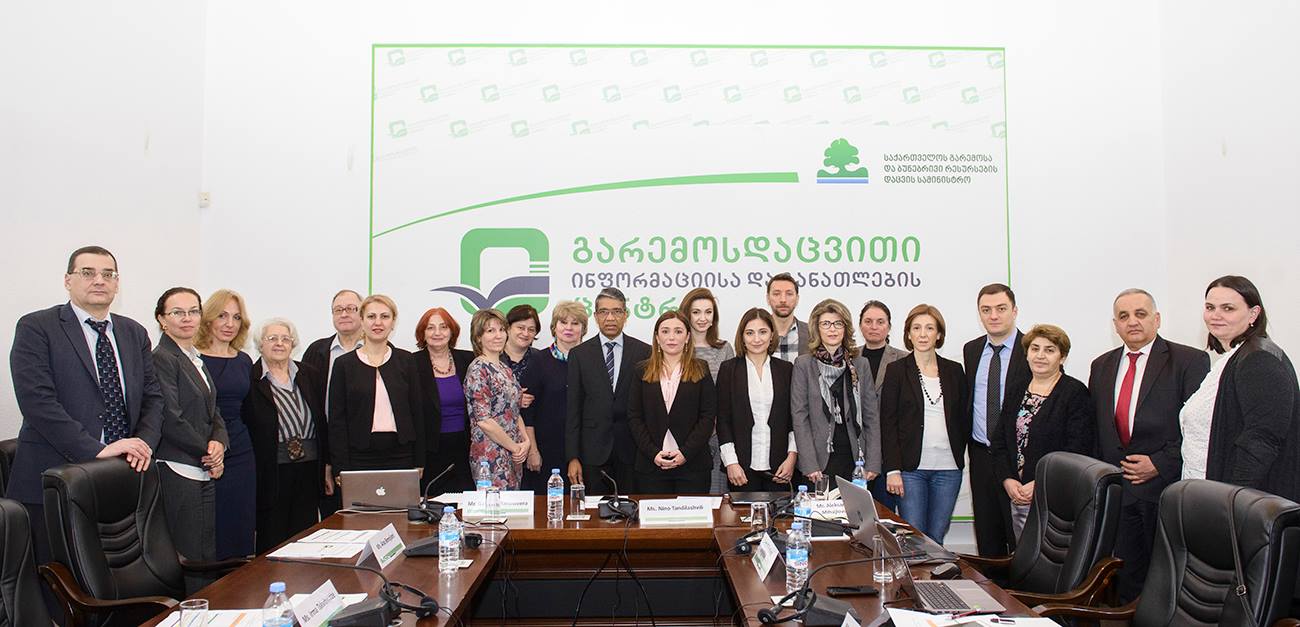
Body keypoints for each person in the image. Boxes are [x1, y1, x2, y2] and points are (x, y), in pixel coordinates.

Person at [9, 246, 162, 571]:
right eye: (88, 273)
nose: (99, 281)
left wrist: (142, 444)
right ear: (68, 280)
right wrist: (96, 449)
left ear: (117, 283)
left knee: (114, 577)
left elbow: (152, 398)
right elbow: (37, 401)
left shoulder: (133, 332)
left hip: (120, 476)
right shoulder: (38, 327)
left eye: (108, 274)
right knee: (55, 582)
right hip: (53, 478)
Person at [1088, 288, 1208, 602]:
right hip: (1117, 490)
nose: (1132, 322)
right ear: (1115, 325)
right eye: (1124, 316)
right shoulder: (1101, 366)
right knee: (1126, 577)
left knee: (1164, 581)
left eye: (1140, 314)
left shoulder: (1189, 361)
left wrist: (1160, 463)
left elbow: (1198, 427)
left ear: (1157, 319)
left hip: (1163, 489)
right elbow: (1098, 429)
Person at [1182, 276, 1298, 502]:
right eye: (1210, 307)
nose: (1216, 315)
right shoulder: (1234, 356)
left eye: (1228, 308)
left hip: (1241, 503)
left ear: (1253, 314)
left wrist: (1230, 499)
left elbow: (1262, 440)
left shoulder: (1259, 359)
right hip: (1211, 492)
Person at [152, 287, 228, 594]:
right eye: (177, 313)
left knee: (205, 552)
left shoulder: (194, 357)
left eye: (193, 311)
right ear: (162, 320)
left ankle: (207, 609)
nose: (187, 318)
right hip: (179, 467)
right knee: (189, 555)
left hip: (201, 466)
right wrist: (208, 452)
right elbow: (170, 417)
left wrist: (219, 443)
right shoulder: (162, 358)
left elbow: (214, 411)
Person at [989, 324, 1095, 539]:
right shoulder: (1017, 389)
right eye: (1035, 348)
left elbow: (1077, 449)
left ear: (1062, 357)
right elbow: (999, 441)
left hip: (1056, 497)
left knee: (1051, 554)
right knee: (1022, 553)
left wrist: (1040, 483)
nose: (1040, 356)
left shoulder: (1074, 392)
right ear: (1027, 354)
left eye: (1049, 350)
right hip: (1017, 493)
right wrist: (1007, 479)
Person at [880, 304, 969, 543]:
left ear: (938, 334)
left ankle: (935, 571)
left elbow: (963, 418)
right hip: (910, 471)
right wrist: (893, 470)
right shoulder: (896, 370)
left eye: (929, 328)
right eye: (916, 328)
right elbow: (887, 423)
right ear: (908, 334)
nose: (922, 334)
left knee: (936, 536)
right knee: (915, 537)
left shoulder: (954, 371)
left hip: (949, 469)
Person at [243, 318, 327, 553]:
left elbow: (322, 420)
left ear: (293, 344)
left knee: (305, 535)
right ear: (260, 344)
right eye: (272, 338)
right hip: (271, 469)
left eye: (285, 339)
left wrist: (327, 465)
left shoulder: (309, 374)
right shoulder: (250, 378)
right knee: (273, 535)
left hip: (309, 468)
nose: (279, 344)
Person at [962, 283, 1030, 557]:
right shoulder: (971, 350)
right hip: (981, 455)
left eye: (1001, 308)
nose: (993, 316)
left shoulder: (1031, 350)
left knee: (1021, 539)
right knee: (987, 537)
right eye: (986, 310)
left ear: (1014, 311)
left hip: (1017, 459)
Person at [328, 295, 425, 480]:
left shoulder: (406, 361)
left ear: (393, 322)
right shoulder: (344, 364)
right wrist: (339, 466)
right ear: (361, 321)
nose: (378, 322)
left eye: (385, 316)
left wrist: (419, 460)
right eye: (371, 316)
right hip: (358, 456)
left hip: (402, 454)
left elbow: (417, 412)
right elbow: (337, 421)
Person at [565, 287, 652, 495]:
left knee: (632, 509)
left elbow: (648, 407)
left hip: (632, 451)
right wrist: (572, 457)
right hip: (592, 453)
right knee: (594, 512)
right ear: (595, 316)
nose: (610, 318)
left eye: (617, 311)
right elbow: (573, 409)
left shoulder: (644, 352)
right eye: (604, 312)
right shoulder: (579, 355)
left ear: (626, 315)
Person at [792, 299, 880, 490]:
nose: (832, 329)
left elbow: (871, 415)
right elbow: (800, 417)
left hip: (855, 458)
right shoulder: (804, 364)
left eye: (838, 323)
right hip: (819, 460)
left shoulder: (860, 364)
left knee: (854, 509)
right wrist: (809, 464)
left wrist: (873, 461)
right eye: (826, 324)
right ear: (817, 328)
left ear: (845, 328)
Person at [195, 288, 256, 559]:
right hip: (204, 447)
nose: (230, 323)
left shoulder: (244, 361)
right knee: (211, 521)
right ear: (208, 318)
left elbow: (251, 410)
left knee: (241, 518)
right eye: (222, 315)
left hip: (241, 449)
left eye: (236, 317)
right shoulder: (193, 358)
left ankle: (240, 576)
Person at [627, 311, 717, 493]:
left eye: (678, 331)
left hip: (693, 466)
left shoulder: (701, 368)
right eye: (665, 331)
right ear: (657, 337)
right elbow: (634, 417)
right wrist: (653, 453)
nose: (671, 337)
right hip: (651, 467)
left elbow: (707, 417)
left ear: (687, 337)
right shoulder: (641, 370)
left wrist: (685, 453)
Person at [716, 308, 797, 491]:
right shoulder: (729, 369)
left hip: (780, 467)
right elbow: (723, 420)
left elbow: (793, 419)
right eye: (750, 333)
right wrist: (731, 462)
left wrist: (792, 458)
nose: (757, 339)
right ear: (742, 337)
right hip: (741, 468)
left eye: (763, 332)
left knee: (781, 510)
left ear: (772, 335)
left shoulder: (786, 369)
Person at [302, 289, 364, 516]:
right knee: (333, 518)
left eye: (350, 309)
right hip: (327, 448)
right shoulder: (316, 351)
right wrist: (326, 460)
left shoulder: (381, 351)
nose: (344, 314)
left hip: (367, 450)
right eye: (338, 310)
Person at [519, 301, 587, 494]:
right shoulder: (538, 360)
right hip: (546, 449)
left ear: (583, 329)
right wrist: (532, 450)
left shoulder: (591, 360)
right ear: (554, 327)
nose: (568, 328)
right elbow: (527, 411)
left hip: (585, 449)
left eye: (575, 323)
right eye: (563, 322)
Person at [465, 308, 530, 490]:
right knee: (494, 506)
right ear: (478, 337)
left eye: (501, 330)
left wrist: (525, 442)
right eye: (490, 331)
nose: (498, 335)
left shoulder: (504, 368)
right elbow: (484, 420)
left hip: (514, 454)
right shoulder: (478, 369)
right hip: (490, 456)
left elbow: (514, 412)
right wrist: (514, 447)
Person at [413, 307, 476, 495]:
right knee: (432, 503)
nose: (437, 333)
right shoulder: (412, 363)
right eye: (430, 328)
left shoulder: (469, 359)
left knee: (465, 503)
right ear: (423, 334)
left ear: (452, 331)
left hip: (465, 447)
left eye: (443, 327)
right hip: (429, 451)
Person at [683, 287, 735, 493]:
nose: (702, 318)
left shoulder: (724, 349)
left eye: (708, 312)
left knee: (717, 497)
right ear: (686, 314)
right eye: (696, 312)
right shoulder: (676, 348)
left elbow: (730, 396)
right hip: (685, 438)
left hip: (717, 436)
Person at [859, 300, 907, 511]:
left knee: (885, 514)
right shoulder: (848, 357)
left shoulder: (903, 359)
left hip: (889, 452)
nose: (874, 327)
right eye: (868, 321)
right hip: (857, 451)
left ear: (889, 326)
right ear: (860, 325)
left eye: (880, 322)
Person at [501, 305, 546, 489]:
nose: (525, 333)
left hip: (534, 439)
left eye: (531, 329)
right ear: (508, 328)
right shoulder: (492, 358)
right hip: (498, 440)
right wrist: (514, 399)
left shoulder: (541, 359)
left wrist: (533, 448)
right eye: (520, 327)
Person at [766, 273, 810, 364]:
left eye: (789, 294)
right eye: (776, 294)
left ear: (797, 299)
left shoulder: (812, 333)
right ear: (768, 299)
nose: (783, 300)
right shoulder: (756, 335)